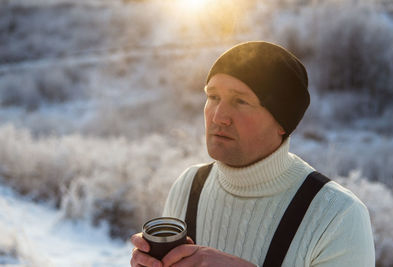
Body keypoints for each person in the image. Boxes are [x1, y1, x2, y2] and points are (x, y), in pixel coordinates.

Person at [130, 41, 375, 267]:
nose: (218, 117)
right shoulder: (189, 186)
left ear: (282, 122)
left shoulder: (338, 216)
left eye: (240, 101)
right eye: (213, 97)